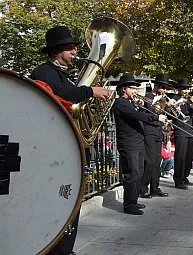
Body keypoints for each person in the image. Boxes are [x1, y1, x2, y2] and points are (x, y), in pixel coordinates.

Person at [30, 25, 109, 255]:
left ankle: (66, 248)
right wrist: (89, 92)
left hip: (64, 145)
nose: (75, 52)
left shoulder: (63, 73)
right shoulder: (43, 71)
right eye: (71, 48)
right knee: (61, 199)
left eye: (75, 48)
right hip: (52, 147)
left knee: (72, 199)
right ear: (57, 51)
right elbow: (59, 94)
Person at [112, 74, 167, 215]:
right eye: (133, 88)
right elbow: (136, 116)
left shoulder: (130, 103)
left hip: (138, 141)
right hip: (128, 143)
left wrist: (138, 106)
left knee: (139, 172)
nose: (135, 91)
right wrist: (155, 117)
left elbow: (136, 113)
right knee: (132, 173)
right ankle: (129, 205)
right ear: (124, 89)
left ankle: (134, 200)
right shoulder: (120, 103)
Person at [139, 74, 170, 198]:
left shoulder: (163, 99)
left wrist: (169, 107)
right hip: (149, 129)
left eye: (165, 87)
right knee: (150, 160)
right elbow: (147, 111)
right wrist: (157, 101)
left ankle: (155, 187)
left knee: (157, 160)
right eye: (162, 87)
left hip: (158, 130)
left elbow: (165, 114)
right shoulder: (148, 97)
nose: (164, 90)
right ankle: (143, 188)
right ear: (156, 86)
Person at [170, 78, 193, 190]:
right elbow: (177, 115)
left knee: (189, 155)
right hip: (181, 130)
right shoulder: (175, 99)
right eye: (184, 89)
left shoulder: (188, 100)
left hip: (191, 130)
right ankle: (178, 179)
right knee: (180, 156)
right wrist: (189, 102)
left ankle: (185, 176)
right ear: (179, 89)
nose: (186, 91)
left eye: (187, 89)